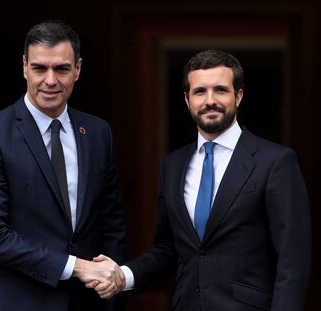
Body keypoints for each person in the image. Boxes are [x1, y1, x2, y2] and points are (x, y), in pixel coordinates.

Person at [91, 49, 311, 310]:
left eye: (220, 90)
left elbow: (293, 260)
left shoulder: (275, 162)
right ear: (187, 99)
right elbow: (168, 250)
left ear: (238, 95)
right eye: (199, 92)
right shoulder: (172, 166)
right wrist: (123, 276)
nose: (210, 100)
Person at [0, 20, 126, 311]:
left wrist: (111, 284)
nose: (50, 80)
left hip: (86, 302)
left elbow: (111, 222)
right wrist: (77, 267)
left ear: (78, 69)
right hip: (13, 300)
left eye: (62, 69)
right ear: (24, 66)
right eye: (40, 68)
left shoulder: (99, 133)